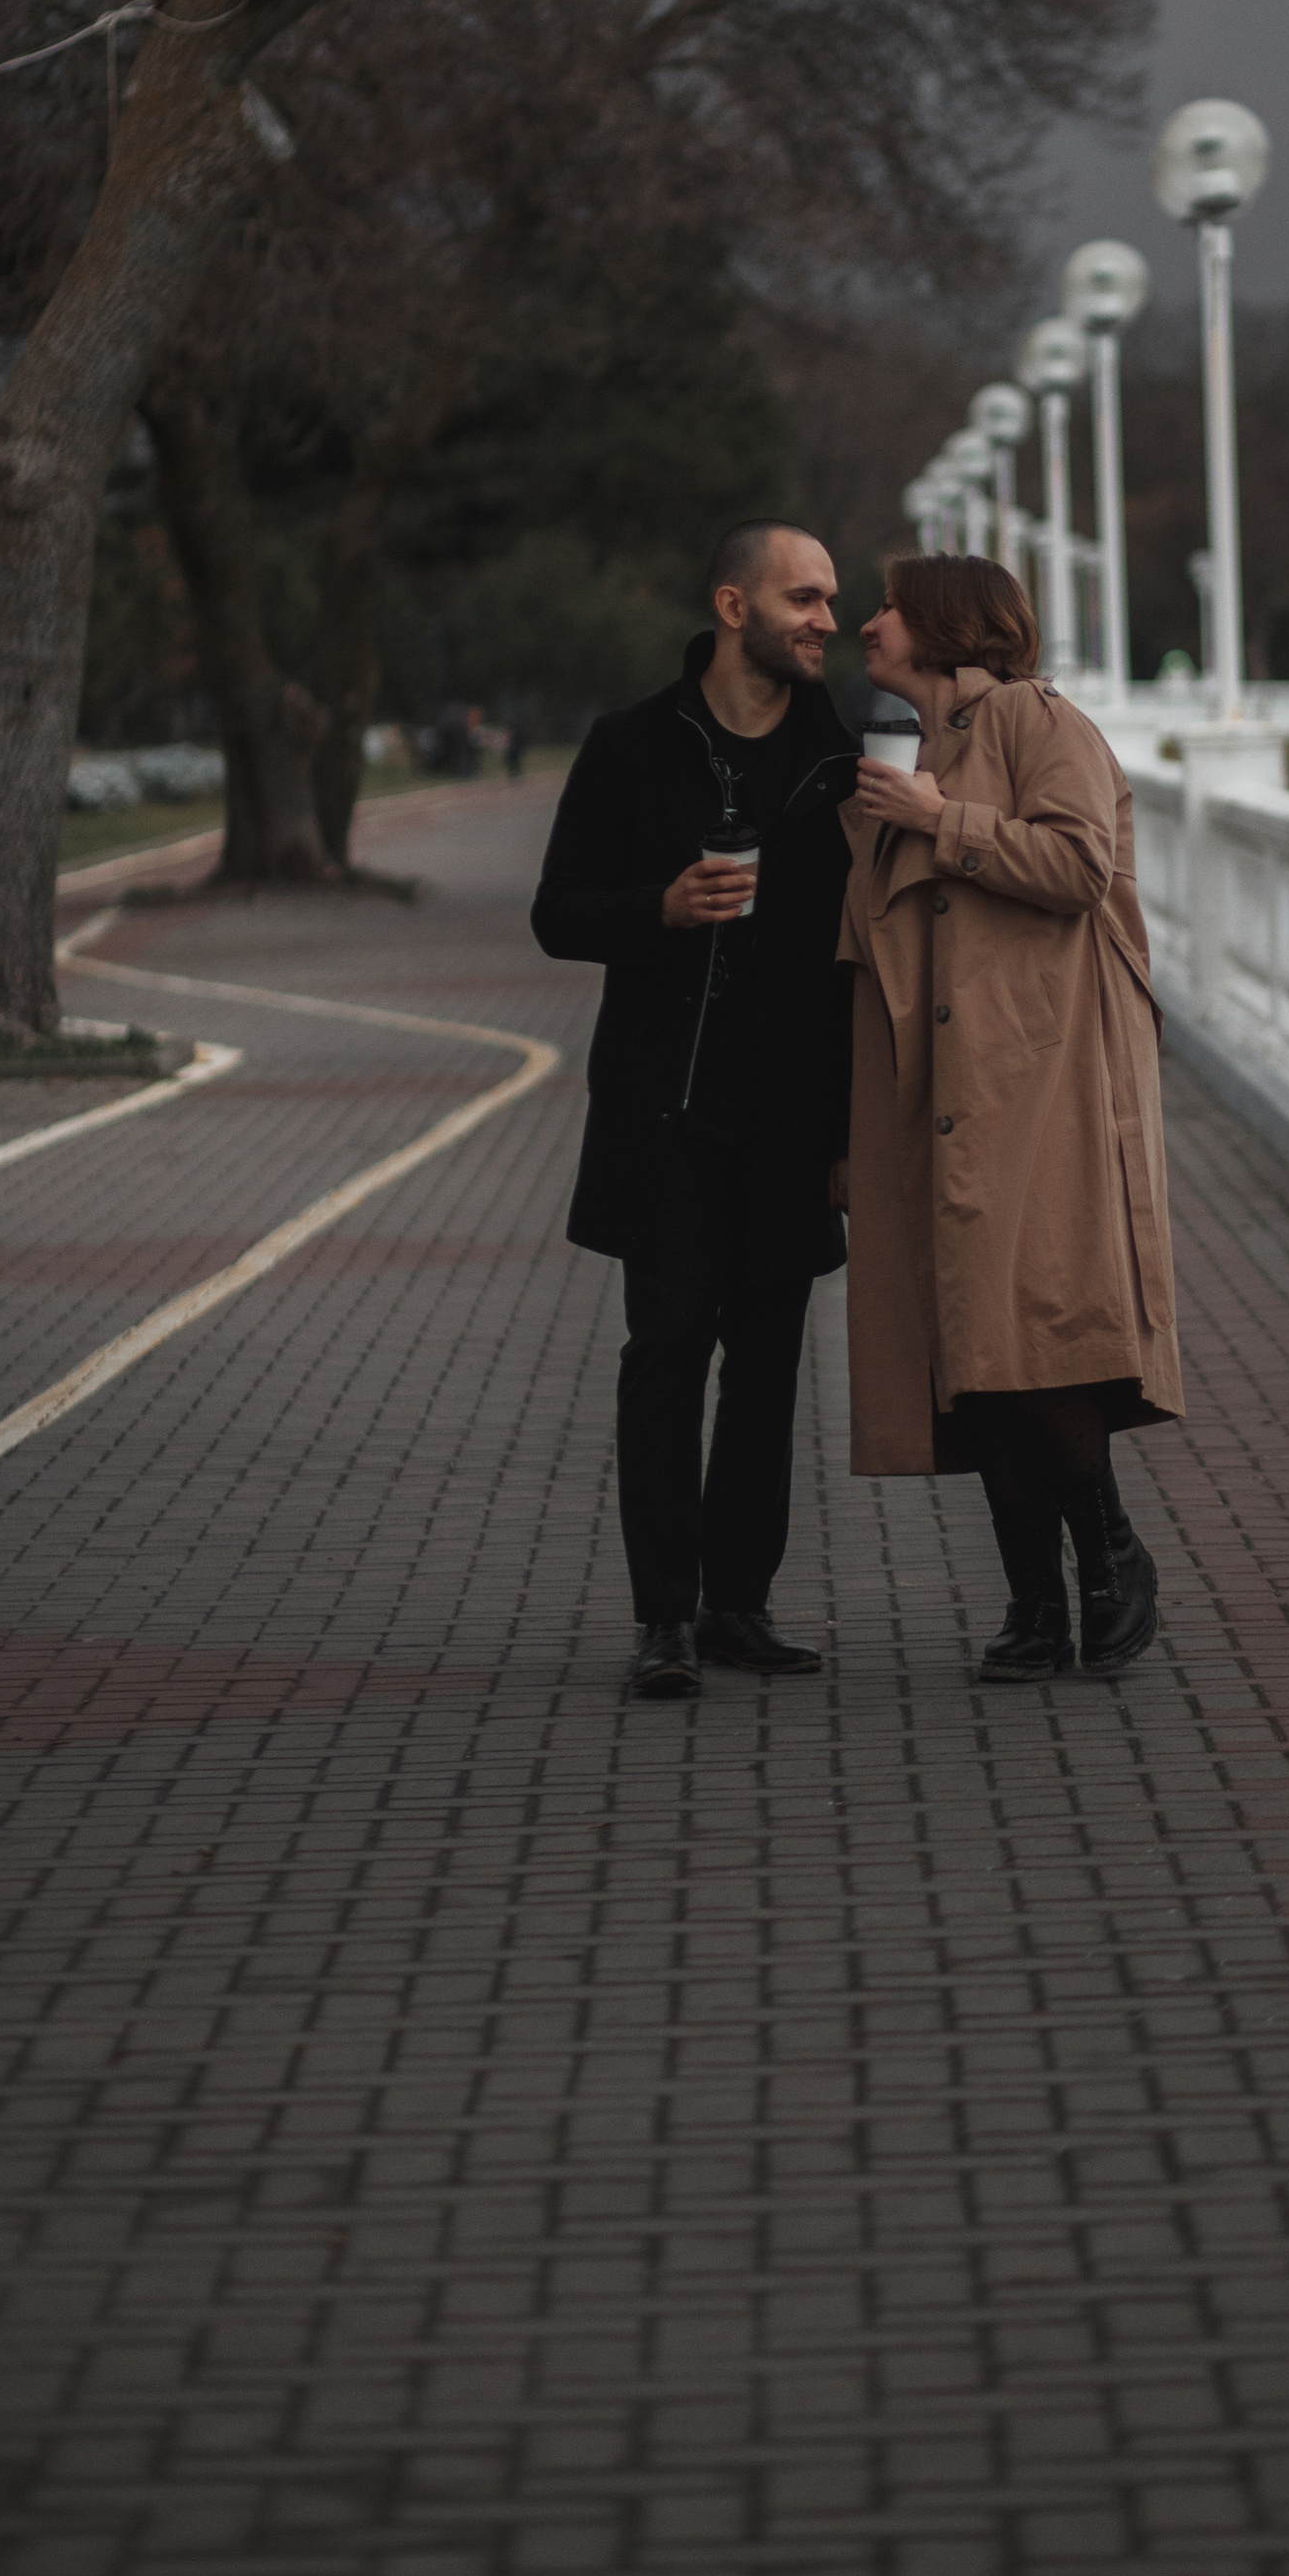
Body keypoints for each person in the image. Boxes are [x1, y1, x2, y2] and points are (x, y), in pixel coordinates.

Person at [838, 551, 1181, 1678]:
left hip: (1041, 1079)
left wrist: (942, 822)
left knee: (1036, 1334)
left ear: (942, 625)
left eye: (887, 605)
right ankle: (1035, 1603)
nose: (868, 622)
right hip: (932, 1088)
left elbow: (1081, 868)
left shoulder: (1040, 722)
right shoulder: (911, 748)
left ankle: (1111, 1557)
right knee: (968, 1347)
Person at [532, 522, 856, 1699]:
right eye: (805, 598)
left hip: (791, 1120)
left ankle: (739, 1607)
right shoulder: (632, 746)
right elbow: (558, 911)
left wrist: (847, 1138)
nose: (828, 619)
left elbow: (859, 965)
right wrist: (659, 909)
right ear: (735, 606)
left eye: (832, 601)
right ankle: (663, 1618)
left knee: (767, 1368)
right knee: (666, 1353)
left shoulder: (844, 758)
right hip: (668, 1112)